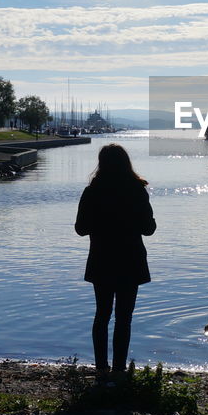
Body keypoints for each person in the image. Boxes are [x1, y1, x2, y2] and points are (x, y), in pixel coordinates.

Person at [75, 143, 156, 375]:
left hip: (102, 258)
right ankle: (119, 369)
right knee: (124, 317)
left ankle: (101, 367)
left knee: (102, 315)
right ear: (126, 162)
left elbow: (81, 229)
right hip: (130, 259)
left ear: (101, 163)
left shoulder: (92, 191)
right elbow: (149, 229)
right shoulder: (137, 190)